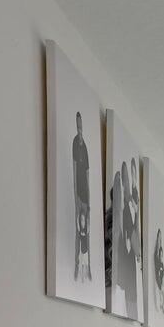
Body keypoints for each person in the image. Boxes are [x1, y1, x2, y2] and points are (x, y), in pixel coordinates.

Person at [71, 111, 90, 281]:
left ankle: (87, 266)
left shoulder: (85, 147)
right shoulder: (75, 144)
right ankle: (77, 268)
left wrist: (88, 197)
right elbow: (75, 169)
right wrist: (76, 195)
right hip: (79, 195)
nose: (80, 129)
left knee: (87, 231)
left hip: (86, 196)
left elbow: (87, 173)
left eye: (81, 126)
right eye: (78, 126)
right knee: (79, 231)